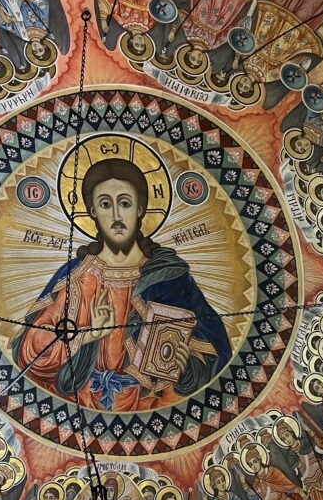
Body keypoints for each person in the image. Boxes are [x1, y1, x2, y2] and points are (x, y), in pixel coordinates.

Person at [13, 159, 231, 411]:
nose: (116, 216)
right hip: (81, 402)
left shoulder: (169, 276)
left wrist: (188, 366)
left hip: (152, 405)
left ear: (140, 209)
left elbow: (215, 349)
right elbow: (29, 353)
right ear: (93, 211)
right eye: (105, 204)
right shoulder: (76, 277)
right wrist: (87, 335)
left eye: (125, 203)